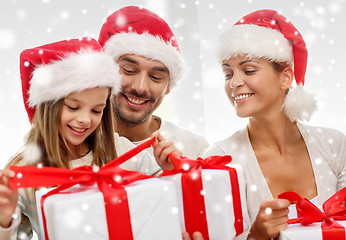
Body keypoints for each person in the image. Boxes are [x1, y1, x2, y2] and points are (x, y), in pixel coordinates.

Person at [0, 38, 177, 239]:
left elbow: (163, 203)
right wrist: (4, 220)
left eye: (96, 110)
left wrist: (170, 172)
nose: (84, 120)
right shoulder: (26, 172)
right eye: (73, 107)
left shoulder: (121, 151)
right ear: (48, 107)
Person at [203, 9, 346, 240]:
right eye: (227, 74)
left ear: (285, 77)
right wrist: (256, 236)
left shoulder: (334, 146)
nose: (235, 83)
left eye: (248, 70)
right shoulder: (220, 161)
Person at [98, 6, 209, 173]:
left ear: (168, 87)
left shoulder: (195, 149)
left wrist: (177, 179)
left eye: (156, 77)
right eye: (129, 70)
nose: (140, 87)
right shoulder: (76, 143)